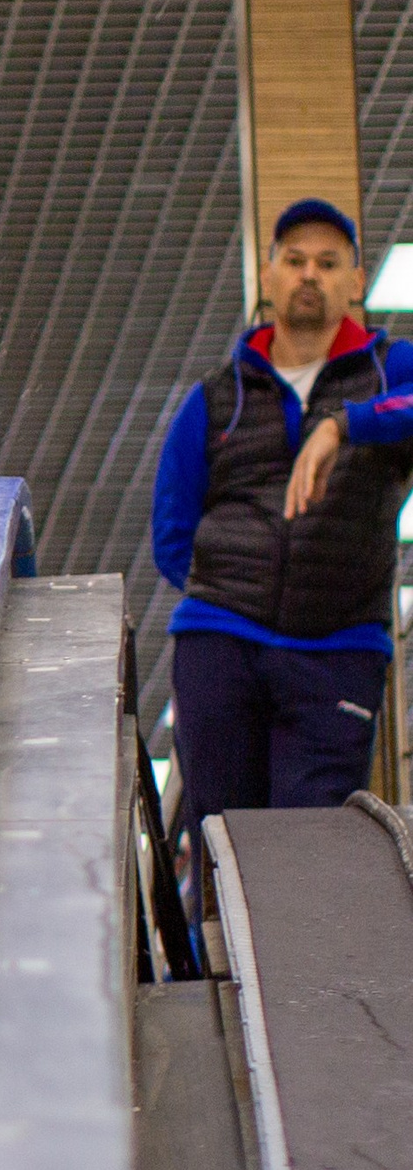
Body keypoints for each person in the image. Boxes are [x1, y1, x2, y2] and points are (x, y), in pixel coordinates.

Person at [153, 197, 413, 831]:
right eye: (294, 261)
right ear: (268, 275)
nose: (309, 275)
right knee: (224, 837)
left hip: (339, 650)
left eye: (328, 262)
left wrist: (344, 425)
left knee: (314, 840)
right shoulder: (218, 397)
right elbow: (172, 535)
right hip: (221, 646)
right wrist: (233, 596)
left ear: (356, 282)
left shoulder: (390, 370)